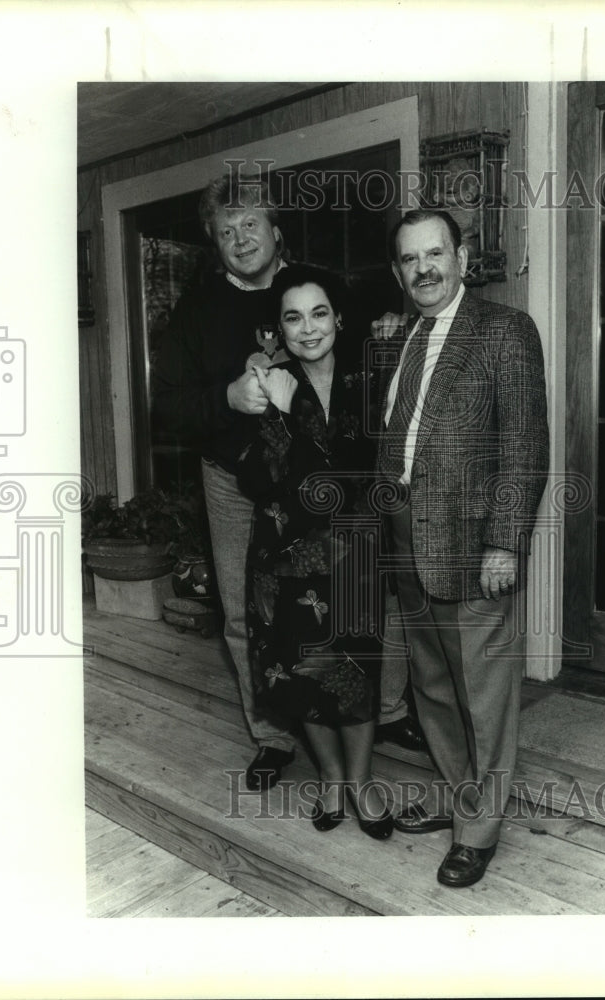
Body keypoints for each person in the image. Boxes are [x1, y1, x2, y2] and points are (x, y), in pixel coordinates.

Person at [152, 170, 422, 793]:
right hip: (233, 478)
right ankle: (273, 735)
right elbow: (165, 406)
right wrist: (226, 396)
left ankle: (385, 712)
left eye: (251, 224)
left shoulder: (316, 290)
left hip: (323, 473)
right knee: (248, 611)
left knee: (360, 597)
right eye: (226, 231)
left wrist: (391, 328)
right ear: (214, 244)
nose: (240, 238)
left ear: (276, 230)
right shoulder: (195, 313)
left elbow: (378, 320)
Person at [376, 209, 549, 886]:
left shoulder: (504, 330)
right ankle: (458, 800)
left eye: (434, 253)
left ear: (461, 255)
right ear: (398, 271)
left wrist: (505, 543)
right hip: (408, 546)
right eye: (409, 259)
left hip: (474, 550)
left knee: (483, 696)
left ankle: (478, 830)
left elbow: (524, 443)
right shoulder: (403, 339)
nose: (423, 268)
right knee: (436, 693)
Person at [237, 264, 394, 839]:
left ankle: (360, 780)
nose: (308, 328)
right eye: (293, 317)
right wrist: (276, 412)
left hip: (355, 552)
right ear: (278, 328)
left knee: (356, 666)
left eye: (319, 312)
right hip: (287, 557)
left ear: (339, 318)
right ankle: (330, 777)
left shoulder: (369, 379)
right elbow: (260, 482)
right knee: (303, 670)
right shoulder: (264, 385)